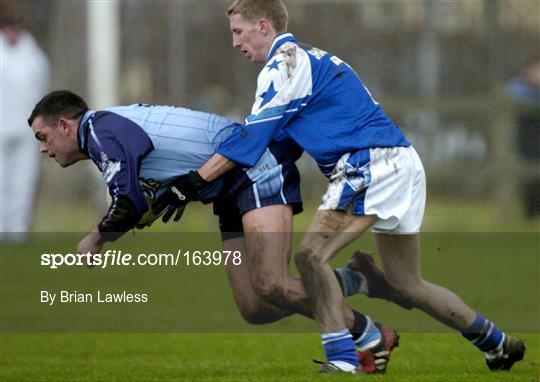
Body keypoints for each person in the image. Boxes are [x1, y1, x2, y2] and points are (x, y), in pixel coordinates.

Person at [153, 0, 526, 373]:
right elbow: (277, 144)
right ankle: (497, 343)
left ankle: (344, 360)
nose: (235, 43)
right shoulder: (309, 60)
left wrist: (192, 182)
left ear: (263, 25)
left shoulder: (285, 63)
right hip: (402, 162)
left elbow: (252, 139)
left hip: (371, 163)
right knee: (407, 284)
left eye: (238, 31)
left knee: (310, 256)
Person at [29, 90, 405, 374]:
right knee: (255, 306)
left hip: (253, 168)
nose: (44, 149)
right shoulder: (104, 132)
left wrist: (96, 237)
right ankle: (357, 279)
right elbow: (138, 197)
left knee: (272, 284)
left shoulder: (100, 131)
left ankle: (369, 336)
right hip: (225, 189)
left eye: (42, 137)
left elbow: (128, 201)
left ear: (65, 125)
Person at [1, 15, 49, 242]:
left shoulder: (34, 57)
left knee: (23, 181)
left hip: (27, 130)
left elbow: (42, 93)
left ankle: (18, 229)